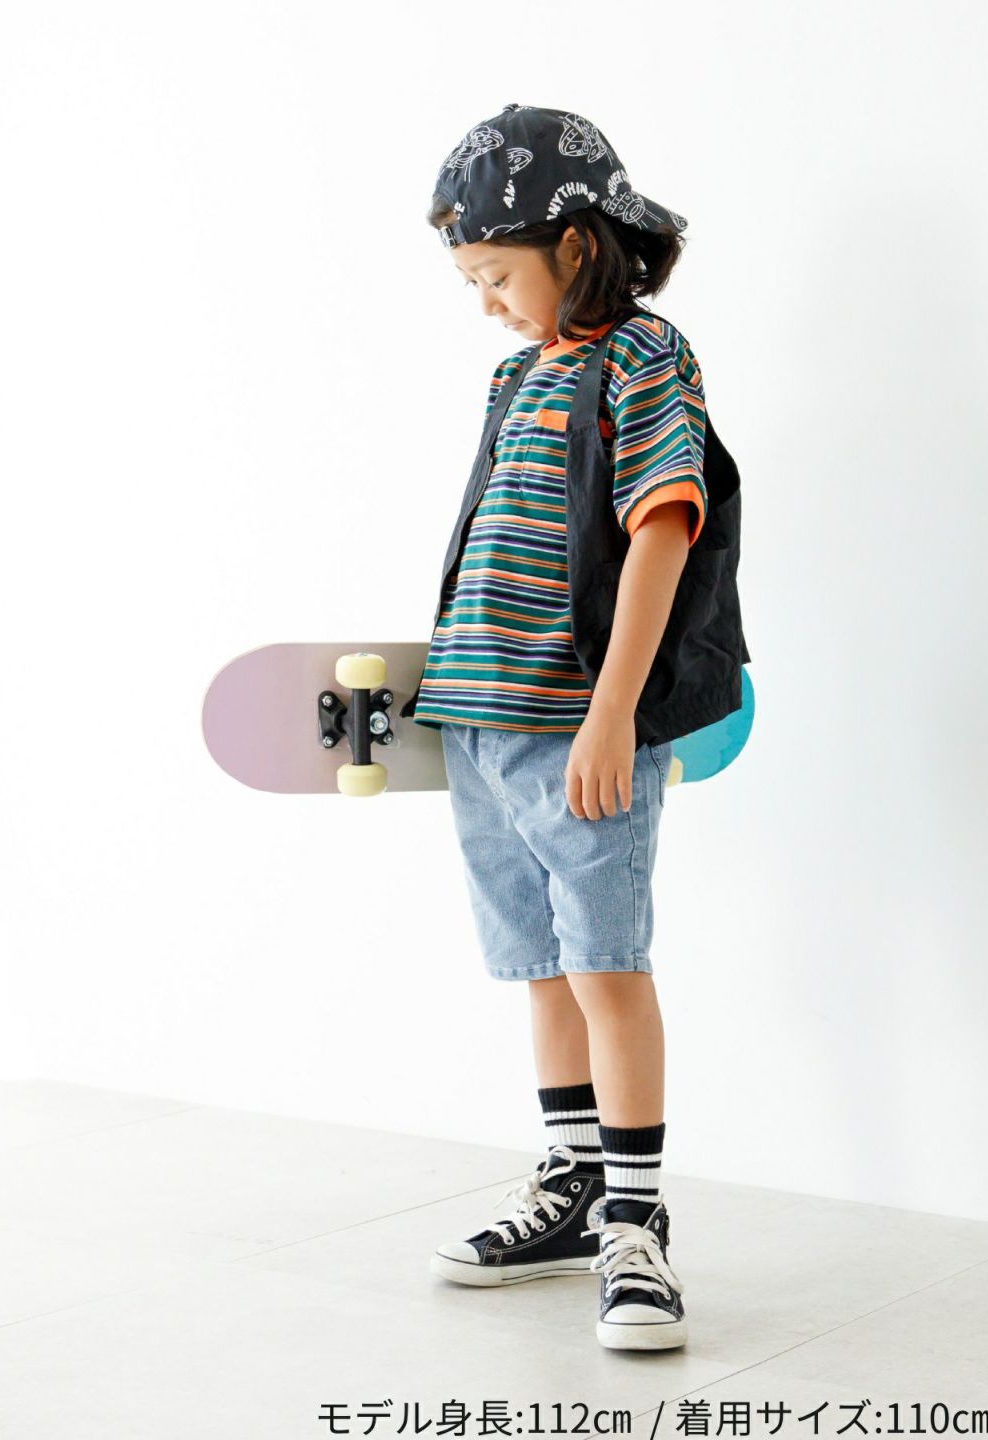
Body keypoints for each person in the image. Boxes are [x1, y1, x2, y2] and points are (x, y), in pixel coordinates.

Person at [409, 104, 751, 1352]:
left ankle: (636, 1224)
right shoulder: (520, 373)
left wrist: (613, 715)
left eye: (495, 276)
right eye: (472, 283)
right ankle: (570, 1186)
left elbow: (663, 529)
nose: (487, 305)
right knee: (540, 967)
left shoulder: (645, 354)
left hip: (576, 730)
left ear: (571, 242)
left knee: (607, 963)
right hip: (481, 724)